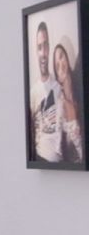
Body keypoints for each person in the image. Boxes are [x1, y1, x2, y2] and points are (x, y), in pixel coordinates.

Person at [29, 21, 63, 162]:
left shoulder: (58, 86)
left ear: (49, 48)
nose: (43, 53)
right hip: (41, 160)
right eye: (39, 47)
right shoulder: (33, 92)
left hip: (62, 164)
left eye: (45, 46)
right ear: (36, 51)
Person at [53, 42, 83, 163]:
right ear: (57, 78)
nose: (61, 64)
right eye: (57, 66)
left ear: (67, 57)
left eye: (61, 56)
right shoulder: (60, 106)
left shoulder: (80, 84)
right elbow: (58, 148)